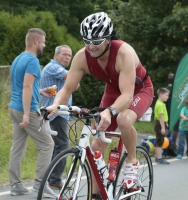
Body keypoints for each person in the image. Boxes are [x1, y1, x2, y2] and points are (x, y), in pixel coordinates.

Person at [46, 12, 154, 198]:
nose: (91, 46)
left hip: (138, 89)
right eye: (87, 40)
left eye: (96, 41)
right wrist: (55, 106)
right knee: (96, 147)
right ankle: (97, 193)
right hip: (113, 91)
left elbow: (127, 95)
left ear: (108, 38)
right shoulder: (82, 56)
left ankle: (132, 162)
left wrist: (109, 111)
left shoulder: (124, 53)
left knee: (123, 119)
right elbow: (67, 89)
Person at [8, 28, 57, 197]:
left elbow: (24, 85)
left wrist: (41, 91)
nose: (44, 45)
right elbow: (26, 86)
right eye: (43, 42)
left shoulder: (18, 58)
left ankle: (15, 185)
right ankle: (40, 184)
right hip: (25, 110)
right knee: (47, 144)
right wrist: (28, 114)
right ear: (36, 41)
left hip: (14, 108)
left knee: (17, 147)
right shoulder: (33, 61)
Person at [40, 45, 75, 189]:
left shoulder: (59, 70)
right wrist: (72, 80)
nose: (67, 58)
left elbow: (75, 84)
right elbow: (73, 79)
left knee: (57, 145)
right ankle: (54, 179)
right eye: (65, 54)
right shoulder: (53, 67)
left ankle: (51, 177)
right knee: (62, 145)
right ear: (56, 55)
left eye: (70, 56)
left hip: (60, 112)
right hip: (56, 113)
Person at [153, 88, 170, 164]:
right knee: (159, 140)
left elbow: (164, 116)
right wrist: (163, 127)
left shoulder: (161, 103)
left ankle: (158, 157)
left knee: (161, 140)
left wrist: (166, 123)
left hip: (162, 123)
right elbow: (160, 117)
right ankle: (159, 157)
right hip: (160, 124)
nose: (167, 97)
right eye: (166, 95)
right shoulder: (159, 104)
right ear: (161, 95)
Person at [165, 73, 180, 144]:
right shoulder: (176, 90)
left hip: (166, 111)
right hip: (175, 112)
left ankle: (165, 143)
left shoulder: (165, 90)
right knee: (175, 129)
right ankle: (172, 144)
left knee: (166, 128)